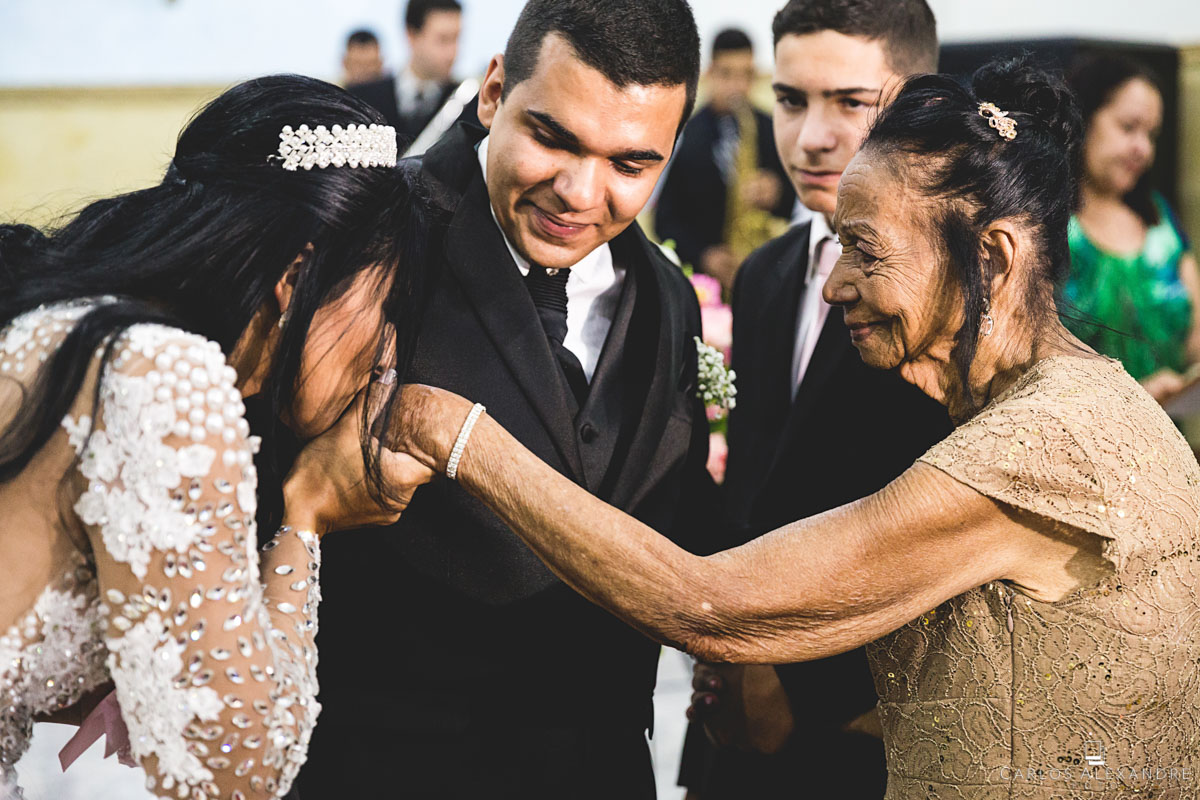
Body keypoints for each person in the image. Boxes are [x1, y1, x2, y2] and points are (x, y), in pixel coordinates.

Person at [342, 59, 1200, 798]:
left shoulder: (1044, 447)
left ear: (994, 257)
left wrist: (448, 428)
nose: (835, 287)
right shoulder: (1041, 411)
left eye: (865, 251)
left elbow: (708, 605)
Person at [295, 2, 714, 798]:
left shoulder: (669, 298)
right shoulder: (371, 244)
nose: (579, 192)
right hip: (392, 768)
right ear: (493, 93)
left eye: (630, 164)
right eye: (553, 138)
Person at [0, 75, 426, 800]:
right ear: (298, 275)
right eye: (386, 298)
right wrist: (307, 515)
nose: (388, 345)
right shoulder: (158, 376)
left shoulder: (69, 326)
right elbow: (238, 771)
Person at [677, 2, 949, 797]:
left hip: (872, 737)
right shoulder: (762, 275)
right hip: (732, 725)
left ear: (917, 99)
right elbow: (755, 500)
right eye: (792, 100)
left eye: (849, 103)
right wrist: (732, 655)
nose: (811, 136)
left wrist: (800, 689)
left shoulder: (951, 294)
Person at [1062, 54, 1200, 404]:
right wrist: (1133, 400)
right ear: (1084, 119)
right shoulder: (1047, 227)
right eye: (1128, 127)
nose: (1144, 149)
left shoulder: (1160, 220)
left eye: (1151, 135)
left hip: (1167, 444)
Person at [655, 28, 795, 290]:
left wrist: (778, 192)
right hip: (704, 282)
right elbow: (665, 220)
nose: (738, 86)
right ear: (710, 73)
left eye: (746, 75)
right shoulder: (685, 134)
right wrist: (704, 256)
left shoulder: (772, 128)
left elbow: (797, 203)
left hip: (764, 273)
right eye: (727, 74)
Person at [348, 0, 463, 146]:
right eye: (443, 39)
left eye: (457, 38)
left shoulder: (470, 106)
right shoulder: (361, 98)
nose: (453, 52)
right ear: (411, 35)